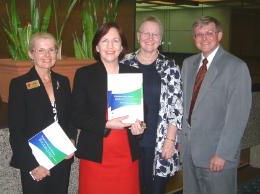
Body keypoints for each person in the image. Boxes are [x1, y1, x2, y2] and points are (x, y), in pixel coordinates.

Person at [180, 15, 252, 194]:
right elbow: (183, 107)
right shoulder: (188, 65)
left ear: (219, 36)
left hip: (216, 154)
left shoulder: (236, 67)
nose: (204, 38)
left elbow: (237, 116)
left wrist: (223, 153)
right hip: (189, 151)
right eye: (199, 34)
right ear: (194, 38)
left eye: (209, 33)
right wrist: (180, 140)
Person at [71, 22, 145, 194]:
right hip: (96, 155)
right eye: (105, 41)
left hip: (126, 155)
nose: (110, 46)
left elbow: (143, 112)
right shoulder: (84, 75)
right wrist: (106, 124)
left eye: (115, 41)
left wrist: (140, 127)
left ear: (122, 47)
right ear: (97, 47)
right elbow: (75, 115)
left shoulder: (132, 73)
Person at [8, 32, 76, 194]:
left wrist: (72, 140)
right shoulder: (19, 85)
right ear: (31, 53)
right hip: (35, 161)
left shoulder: (63, 82)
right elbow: (16, 131)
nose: (47, 55)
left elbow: (70, 118)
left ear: (56, 53)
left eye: (51, 50)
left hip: (60, 158)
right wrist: (32, 165)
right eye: (41, 50)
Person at [121, 16, 183, 194]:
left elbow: (176, 107)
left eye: (155, 34)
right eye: (146, 33)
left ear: (161, 39)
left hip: (160, 143)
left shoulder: (170, 67)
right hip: (129, 141)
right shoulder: (125, 62)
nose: (150, 38)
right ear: (138, 36)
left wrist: (170, 141)